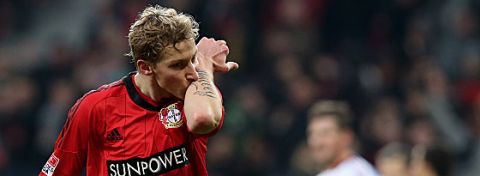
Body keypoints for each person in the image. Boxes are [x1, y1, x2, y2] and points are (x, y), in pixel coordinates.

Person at [39, 5, 238, 176]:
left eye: (192, 59)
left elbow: (203, 119)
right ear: (145, 67)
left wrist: (203, 66)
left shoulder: (197, 94)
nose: (191, 73)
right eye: (177, 65)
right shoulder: (95, 108)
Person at [306, 100, 379, 176]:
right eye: (312, 134)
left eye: (325, 134)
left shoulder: (354, 172)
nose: (316, 143)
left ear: (346, 137)